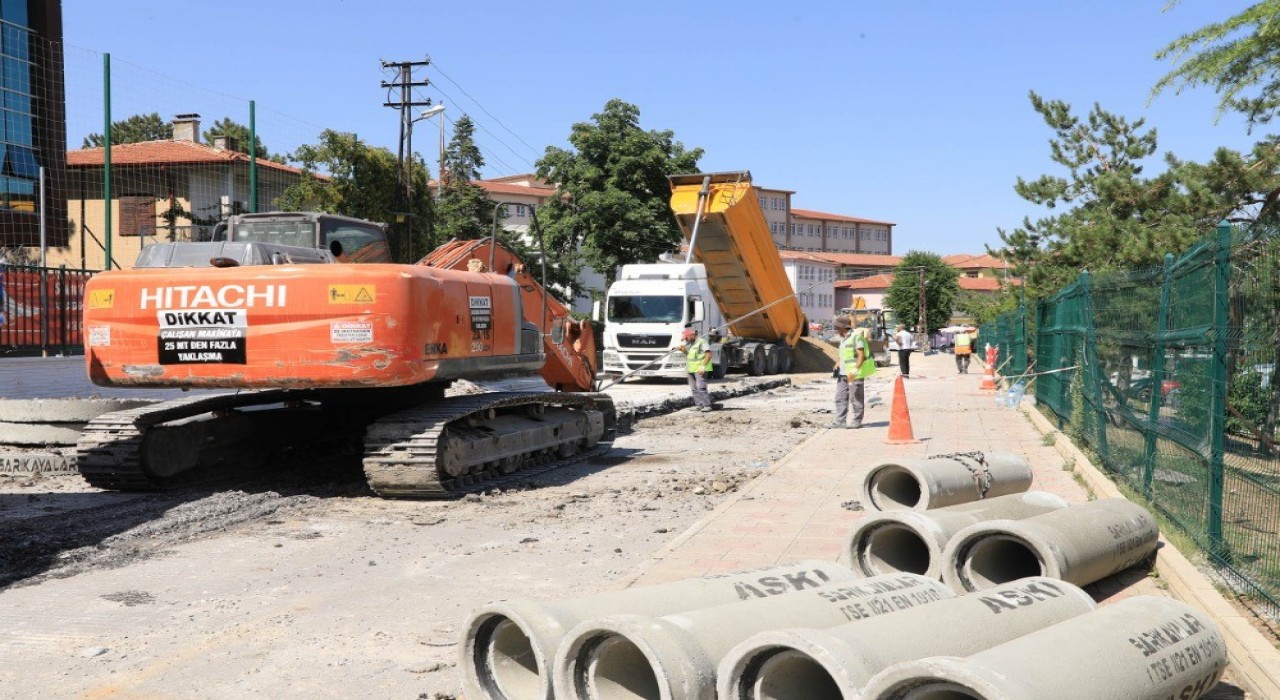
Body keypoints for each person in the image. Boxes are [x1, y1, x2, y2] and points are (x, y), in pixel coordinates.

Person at [831, 318, 876, 429]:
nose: (836, 330)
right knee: (840, 397)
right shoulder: (843, 339)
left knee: (856, 397)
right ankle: (840, 421)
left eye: (837, 328)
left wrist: (856, 369)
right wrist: (838, 362)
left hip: (854, 374)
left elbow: (861, 355)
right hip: (843, 373)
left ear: (843, 327)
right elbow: (844, 354)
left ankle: (857, 421)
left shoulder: (856, 337)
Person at [677, 326, 713, 412]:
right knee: (694, 388)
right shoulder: (691, 344)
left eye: (687, 338)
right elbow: (691, 356)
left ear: (692, 335)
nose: (686, 340)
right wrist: (684, 351)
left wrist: (702, 366)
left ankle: (707, 405)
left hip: (700, 368)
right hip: (691, 369)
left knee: (701, 387)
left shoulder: (702, 342)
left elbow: (708, 354)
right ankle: (699, 405)